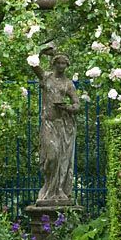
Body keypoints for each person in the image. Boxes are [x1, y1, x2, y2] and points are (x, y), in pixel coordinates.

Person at [31, 48, 80, 205]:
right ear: (53, 64)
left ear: (67, 65)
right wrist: (40, 51)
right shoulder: (46, 77)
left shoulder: (68, 84)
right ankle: (47, 187)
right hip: (48, 124)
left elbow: (77, 104)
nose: (61, 66)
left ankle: (58, 190)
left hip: (62, 125)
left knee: (61, 158)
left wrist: (67, 107)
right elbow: (32, 64)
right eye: (58, 63)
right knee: (51, 157)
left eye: (63, 63)